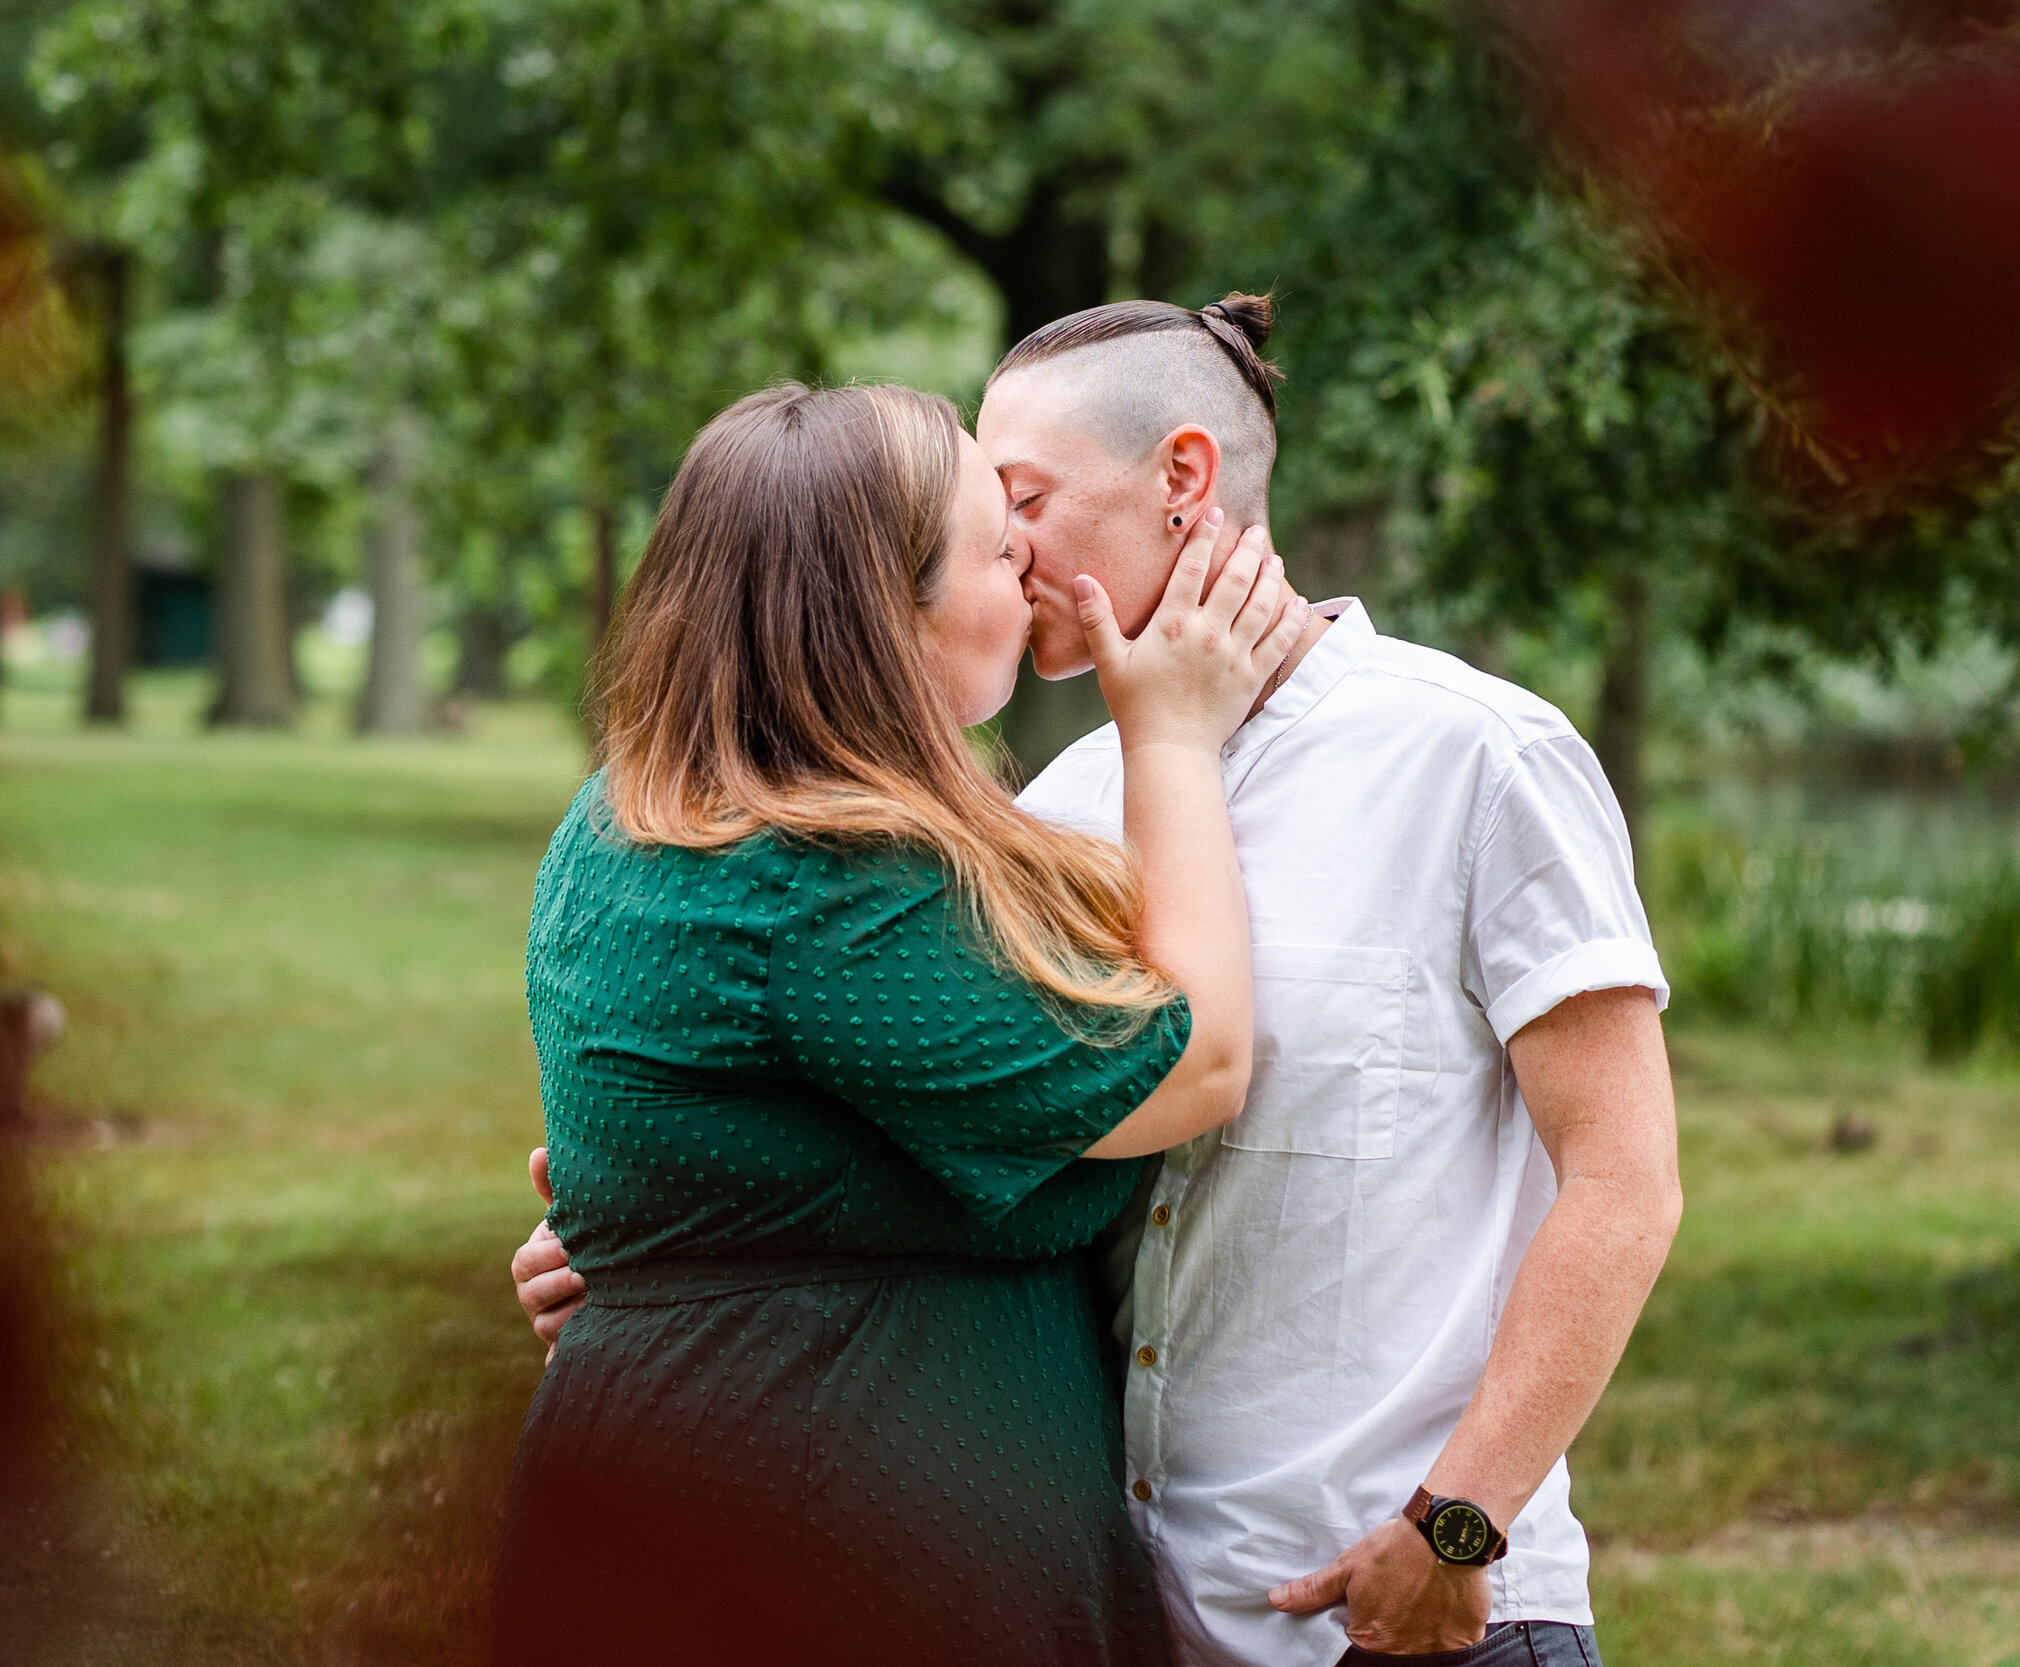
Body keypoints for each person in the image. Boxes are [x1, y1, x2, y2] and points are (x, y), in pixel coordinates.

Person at [515, 298, 1683, 1667]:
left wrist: (1459, 1526)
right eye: (986, 521)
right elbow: (994, 1157)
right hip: (1138, 1608)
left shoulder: (1479, 757)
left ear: (1182, 482)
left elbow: (1626, 1182)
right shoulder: (1056, 812)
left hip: (1419, 1615)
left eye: (1026, 503)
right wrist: (695, 1252)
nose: (1008, 550)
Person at [488, 379, 1306, 1667]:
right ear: (888, 613)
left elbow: (749, 1169)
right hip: (828, 1538)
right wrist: (1176, 740)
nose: (1031, 557)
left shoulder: (632, 815)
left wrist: (651, 1254)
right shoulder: (822, 876)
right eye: (998, 539)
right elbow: (1197, 1062)